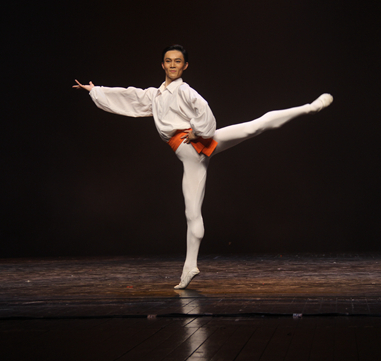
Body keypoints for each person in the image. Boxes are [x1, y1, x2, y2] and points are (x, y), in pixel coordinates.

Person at [73, 44, 333, 289]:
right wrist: (96, 91)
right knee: (195, 208)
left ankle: (310, 108)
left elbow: (203, 110)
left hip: (193, 148)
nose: (172, 65)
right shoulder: (156, 95)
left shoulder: (184, 91)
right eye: (168, 61)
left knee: (253, 128)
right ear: (162, 64)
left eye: (177, 61)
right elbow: (131, 97)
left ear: (185, 66)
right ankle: (190, 267)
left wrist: (198, 132)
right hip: (192, 153)